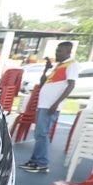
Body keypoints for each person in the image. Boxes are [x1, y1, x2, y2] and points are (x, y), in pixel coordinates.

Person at [21, 41, 79, 174]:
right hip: (43, 105)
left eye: (60, 51)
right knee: (38, 133)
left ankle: (41, 163)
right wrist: (46, 70)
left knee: (42, 133)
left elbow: (71, 85)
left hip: (50, 106)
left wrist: (56, 103)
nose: (57, 53)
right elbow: (43, 84)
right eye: (56, 51)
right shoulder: (59, 66)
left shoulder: (72, 65)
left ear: (68, 52)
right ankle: (34, 161)